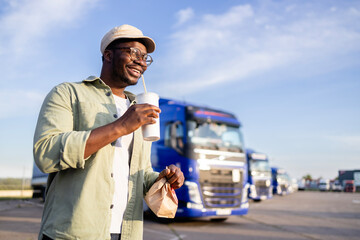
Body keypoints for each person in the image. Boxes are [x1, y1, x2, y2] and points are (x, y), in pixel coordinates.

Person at [33, 24, 184, 240]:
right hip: (74, 233)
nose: (142, 62)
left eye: (145, 58)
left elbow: (139, 172)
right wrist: (120, 127)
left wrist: (161, 179)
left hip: (126, 233)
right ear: (108, 54)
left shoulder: (138, 109)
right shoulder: (67, 94)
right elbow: (45, 154)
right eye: (134, 53)